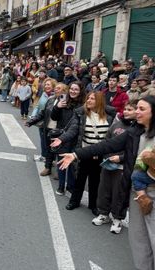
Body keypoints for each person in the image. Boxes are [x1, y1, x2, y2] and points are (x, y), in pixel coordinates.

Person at [57, 96, 155, 270]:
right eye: (136, 108)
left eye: (141, 109)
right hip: (136, 193)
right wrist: (76, 154)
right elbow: (107, 145)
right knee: (138, 238)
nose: (136, 112)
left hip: (153, 192)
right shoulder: (134, 132)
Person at [51, 91, 116, 215]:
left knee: (95, 180)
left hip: (101, 154)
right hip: (84, 152)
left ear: (100, 102)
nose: (89, 100)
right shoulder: (81, 113)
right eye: (88, 98)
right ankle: (74, 201)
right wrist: (62, 138)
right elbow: (73, 129)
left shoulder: (110, 115)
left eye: (93, 98)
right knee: (80, 178)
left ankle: (93, 205)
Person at [92, 101, 137, 233]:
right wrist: (103, 155)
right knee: (104, 189)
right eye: (125, 109)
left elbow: (135, 151)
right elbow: (107, 141)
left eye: (130, 109)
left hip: (123, 167)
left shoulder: (136, 129)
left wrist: (121, 158)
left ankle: (117, 219)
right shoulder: (117, 124)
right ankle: (103, 214)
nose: (126, 112)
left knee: (119, 193)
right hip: (108, 164)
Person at [50, 82, 84, 194]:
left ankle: (70, 186)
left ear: (81, 91)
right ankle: (61, 186)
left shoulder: (83, 104)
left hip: (76, 138)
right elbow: (53, 117)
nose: (73, 91)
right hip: (62, 136)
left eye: (76, 89)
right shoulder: (63, 101)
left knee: (72, 163)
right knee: (61, 161)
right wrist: (57, 107)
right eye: (71, 89)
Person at [26, 78, 57, 176]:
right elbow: (38, 107)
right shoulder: (43, 95)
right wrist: (33, 118)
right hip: (41, 121)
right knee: (44, 141)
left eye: (49, 85)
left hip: (51, 123)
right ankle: (45, 157)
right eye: (45, 85)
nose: (46, 86)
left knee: (52, 144)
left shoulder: (55, 97)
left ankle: (52, 162)